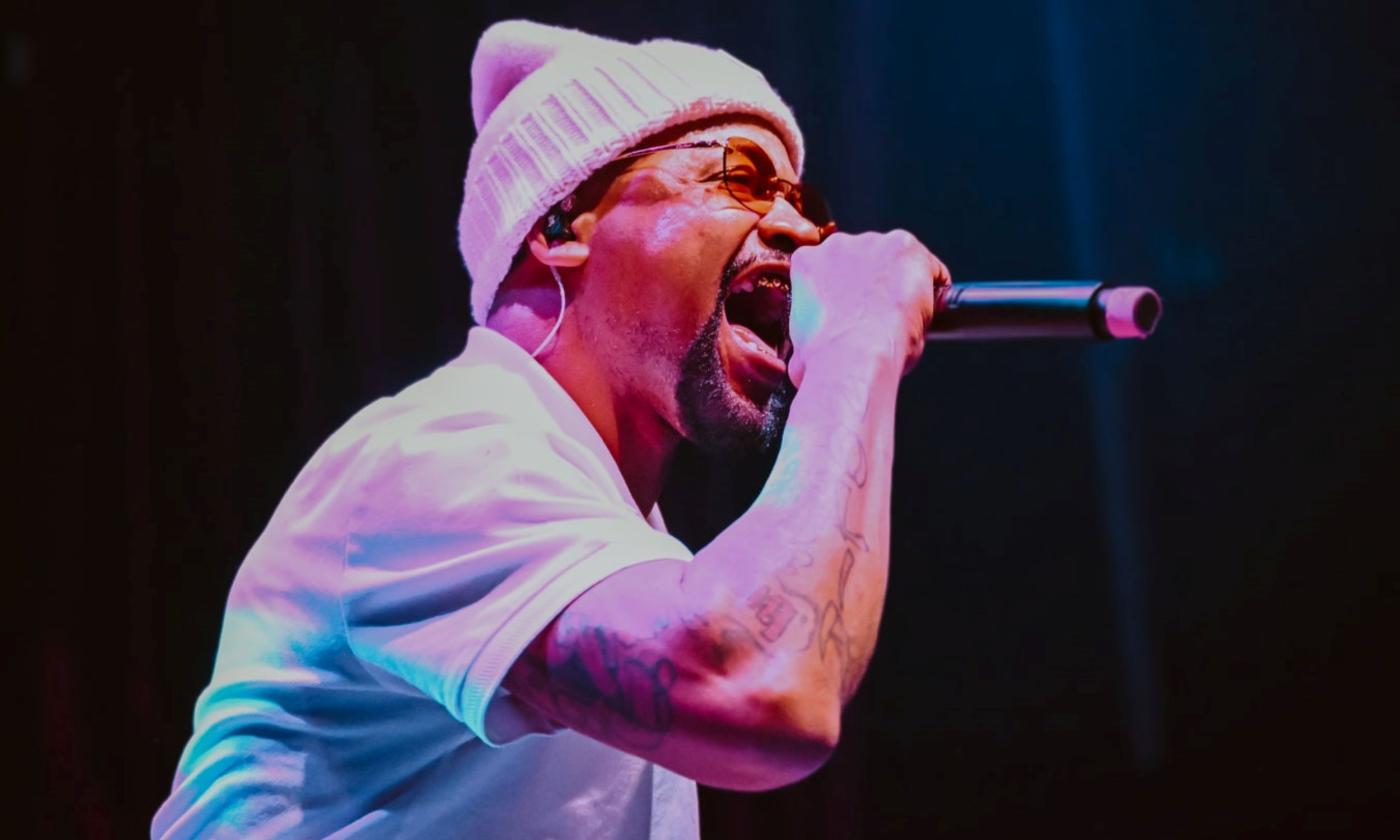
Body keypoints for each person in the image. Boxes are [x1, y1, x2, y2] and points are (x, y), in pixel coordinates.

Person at [153, 19, 948, 839]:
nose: (803, 234)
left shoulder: (619, 537)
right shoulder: (442, 453)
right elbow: (761, 685)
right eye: (741, 179)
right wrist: (859, 343)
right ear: (561, 224)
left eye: (804, 204)